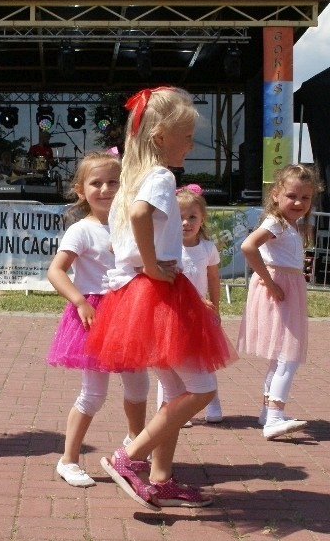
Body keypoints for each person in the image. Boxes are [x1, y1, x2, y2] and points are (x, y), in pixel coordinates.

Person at [84, 87, 235, 511]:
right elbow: (138, 217)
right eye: (186, 137)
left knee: (174, 388)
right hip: (159, 291)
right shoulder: (160, 177)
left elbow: (127, 227)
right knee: (201, 389)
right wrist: (151, 265)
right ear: (160, 136)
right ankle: (129, 457)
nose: (191, 145)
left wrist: (143, 265)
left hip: (137, 292)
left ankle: (162, 478)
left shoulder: (131, 179)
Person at [46, 151, 150, 488]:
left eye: (113, 182)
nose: (105, 189)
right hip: (95, 316)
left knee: (139, 386)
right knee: (93, 394)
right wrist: (79, 302)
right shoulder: (82, 230)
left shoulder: (132, 224)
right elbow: (55, 271)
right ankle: (68, 459)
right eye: (96, 183)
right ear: (80, 190)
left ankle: (134, 449)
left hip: (130, 313)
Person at [237, 163, 321, 440]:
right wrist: (269, 281)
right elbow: (248, 246)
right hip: (280, 287)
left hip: (288, 287)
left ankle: (267, 412)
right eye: (292, 196)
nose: (298, 203)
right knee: (289, 356)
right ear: (276, 195)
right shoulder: (276, 223)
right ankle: (274, 416)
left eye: (305, 198)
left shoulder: (291, 225)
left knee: (281, 356)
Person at [155, 184, 227, 425]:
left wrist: (215, 306)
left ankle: (212, 404)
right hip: (174, 314)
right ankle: (170, 408)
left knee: (204, 360)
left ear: (202, 219)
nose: (186, 223)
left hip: (200, 315)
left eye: (192, 217)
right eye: (180, 217)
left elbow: (213, 278)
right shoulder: (167, 249)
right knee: (169, 362)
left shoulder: (207, 248)